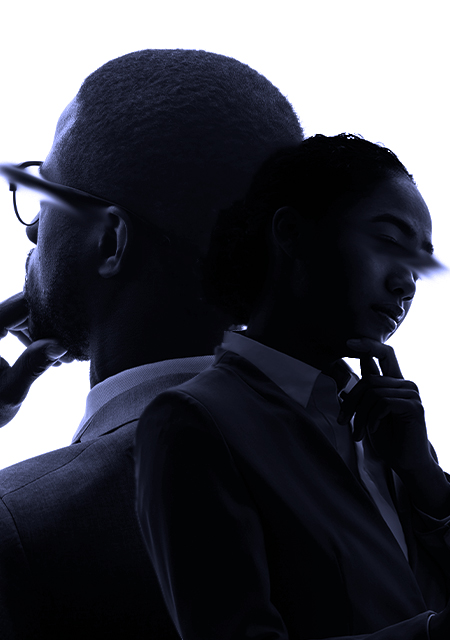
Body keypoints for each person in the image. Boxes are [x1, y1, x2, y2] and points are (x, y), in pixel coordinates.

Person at [0, 49, 303, 638]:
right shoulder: (382, 476)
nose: (33, 229)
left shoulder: (21, 524)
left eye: (46, 195)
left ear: (111, 240)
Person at [135, 133, 450, 640]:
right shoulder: (193, 420)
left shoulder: (390, 420)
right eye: (388, 241)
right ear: (291, 233)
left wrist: (424, 476)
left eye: (421, 261)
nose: (407, 283)